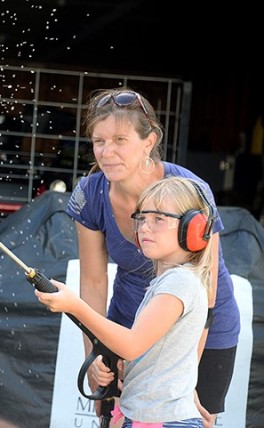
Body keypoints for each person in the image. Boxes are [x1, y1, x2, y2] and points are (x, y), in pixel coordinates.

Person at [63, 88, 240, 427]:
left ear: (149, 141)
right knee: (115, 418)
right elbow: (94, 282)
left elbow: (208, 289)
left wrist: (182, 382)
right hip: (130, 324)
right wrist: (95, 358)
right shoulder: (90, 193)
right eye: (99, 141)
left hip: (201, 328)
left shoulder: (191, 189)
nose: (107, 152)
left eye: (119, 140)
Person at [36, 176, 216, 427]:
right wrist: (116, 367)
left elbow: (132, 344)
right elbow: (148, 355)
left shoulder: (179, 282)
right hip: (144, 416)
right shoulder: (168, 282)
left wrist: (75, 306)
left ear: (192, 227)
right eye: (141, 218)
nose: (144, 227)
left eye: (159, 219)